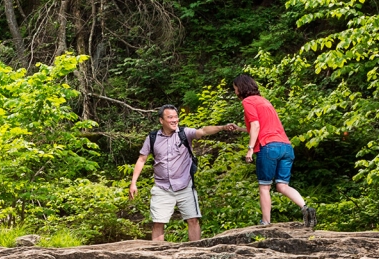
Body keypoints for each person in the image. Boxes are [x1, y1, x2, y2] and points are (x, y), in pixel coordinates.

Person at [128, 105, 237, 242]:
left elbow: (203, 131)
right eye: (170, 117)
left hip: (185, 185)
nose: (174, 120)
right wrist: (133, 183)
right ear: (161, 120)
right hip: (162, 187)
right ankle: (157, 254)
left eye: (176, 117)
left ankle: (195, 253)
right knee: (158, 222)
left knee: (193, 219)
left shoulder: (184, 133)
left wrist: (222, 127)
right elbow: (142, 159)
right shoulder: (152, 137)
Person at [234, 74, 316, 228]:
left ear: (240, 88)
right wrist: (239, 128)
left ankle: (266, 223)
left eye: (235, 89)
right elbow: (261, 128)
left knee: (264, 186)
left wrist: (250, 149)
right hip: (286, 146)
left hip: (269, 147)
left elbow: (257, 126)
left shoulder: (248, 101)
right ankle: (305, 208)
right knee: (282, 186)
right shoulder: (265, 101)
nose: (235, 92)